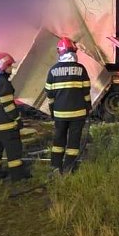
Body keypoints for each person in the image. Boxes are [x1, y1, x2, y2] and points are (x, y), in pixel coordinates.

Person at [45, 37, 91, 175]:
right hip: (78, 114)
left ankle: (55, 167)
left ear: (61, 52)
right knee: (73, 143)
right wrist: (88, 108)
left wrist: (52, 111)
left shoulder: (53, 70)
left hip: (60, 114)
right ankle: (68, 169)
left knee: (58, 140)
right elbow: (86, 92)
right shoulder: (81, 69)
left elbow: (49, 94)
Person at [0, 52, 30, 182]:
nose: (11, 68)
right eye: (9, 66)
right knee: (14, 151)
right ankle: (18, 176)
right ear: (4, 66)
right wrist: (17, 119)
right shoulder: (4, 83)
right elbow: (8, 106)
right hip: (6, 126)